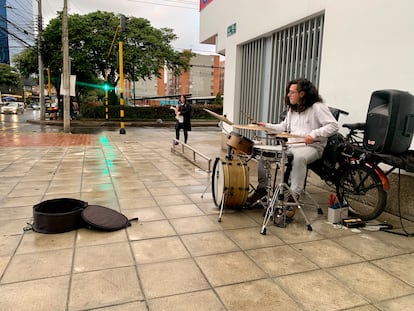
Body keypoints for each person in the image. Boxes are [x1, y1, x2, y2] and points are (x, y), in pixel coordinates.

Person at [246, 78, 339, 218]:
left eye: (292, 92)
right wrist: (265, 125)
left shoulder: (317, 107)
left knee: (299, 157)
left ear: (302, 94)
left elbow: (333, 126)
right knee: (264, 153)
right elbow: (283, 127)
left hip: (312, 147)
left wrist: (314, 134)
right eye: (288, 92)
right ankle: (263, 190)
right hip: (291, 146)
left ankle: (294, 197)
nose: (288, 95)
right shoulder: (292, 109)